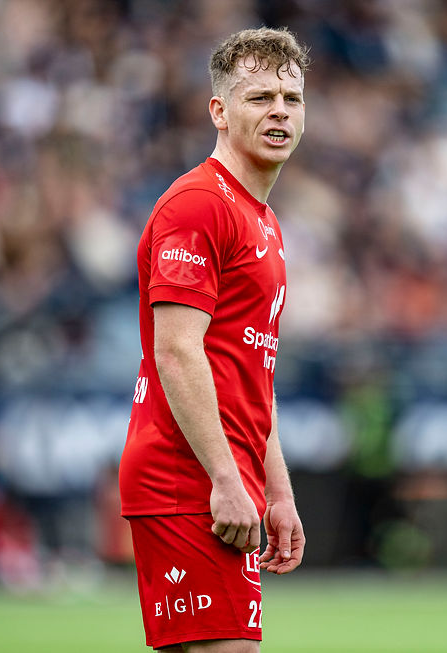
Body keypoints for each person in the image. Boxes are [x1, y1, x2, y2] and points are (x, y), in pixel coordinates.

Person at [118, 27, 309, 652]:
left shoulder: (265, 221)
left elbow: (253, 370)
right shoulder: (198, 205)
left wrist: (276, 490)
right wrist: (226, 480)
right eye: (259, 98)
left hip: (220, 474)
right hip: (187, 477)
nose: (279, 110)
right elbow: (176, 350)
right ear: (219, 112)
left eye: (291, 97)